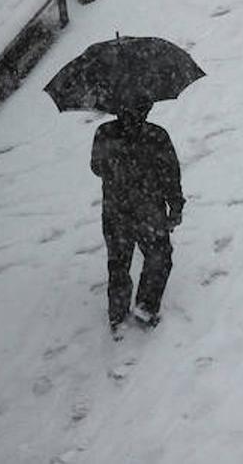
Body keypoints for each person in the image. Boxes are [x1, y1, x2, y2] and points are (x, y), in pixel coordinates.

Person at [90, 101, 184, 337]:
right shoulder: (156, 135)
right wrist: (175, 206)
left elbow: (96, 167)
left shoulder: (103, 133)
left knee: (118, 262)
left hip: (115, 210)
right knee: (159, 256)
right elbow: (170, 174)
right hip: (148, 210)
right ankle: (146, 306)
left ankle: (118, 314)